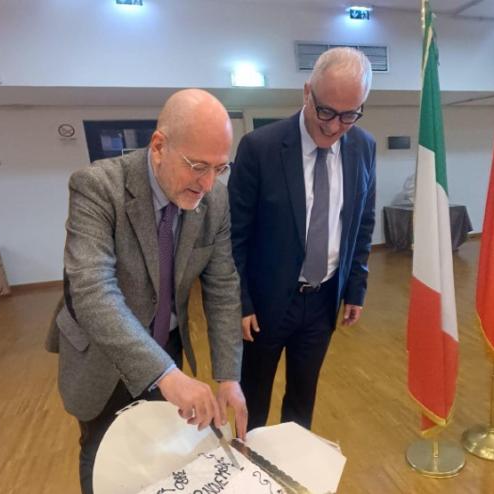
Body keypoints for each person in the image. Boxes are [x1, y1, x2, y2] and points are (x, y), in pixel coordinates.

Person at [45, 89, 247, 494]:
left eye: (219, 168)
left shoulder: (216, 198)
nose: (207, 183)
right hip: (101, 351)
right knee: (103, 455)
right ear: (158, 146)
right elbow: (92, 291)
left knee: (161, 454)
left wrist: (228, 376)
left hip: (166, 343)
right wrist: (165, 374)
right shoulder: (97, 186)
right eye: (197, 166)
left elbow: (223, 286)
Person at [228, 47, 376, 431]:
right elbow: (234, 236)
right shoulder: (260, 148)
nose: (334, 126)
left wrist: (355, 287)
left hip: (324, 299)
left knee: (302, 398)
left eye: (349, 115)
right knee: (253, 399)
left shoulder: (364, 147)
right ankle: (248, 462)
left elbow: (361, 223)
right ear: (307, 92)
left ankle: (291, 463)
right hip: (264, 305)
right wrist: (240, 302)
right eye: (326, 111)